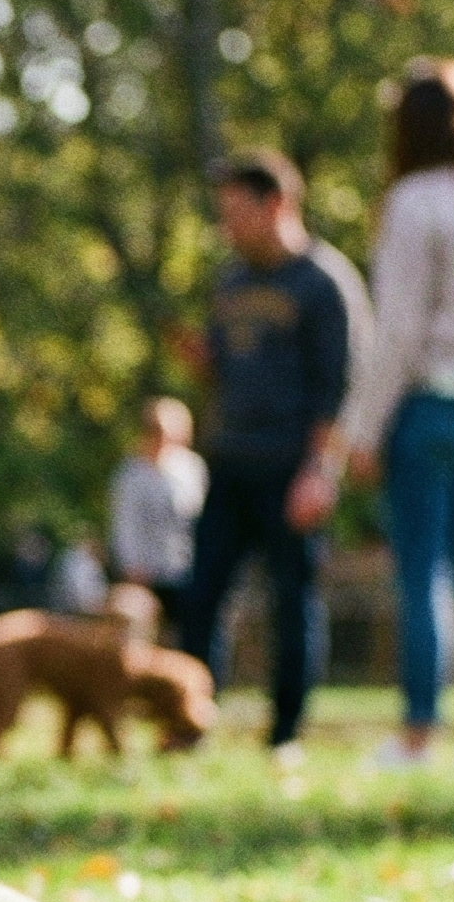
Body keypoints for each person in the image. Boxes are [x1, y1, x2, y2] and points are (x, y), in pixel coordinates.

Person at [325, 59, 454, 767]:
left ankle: (419, 732)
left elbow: (397, 332)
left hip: (431, 409)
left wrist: (358, 432)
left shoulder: (415, 202)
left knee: (424, 573)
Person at [181, 150, 355, 759]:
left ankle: (285, 733)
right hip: (230, 461)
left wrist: (320, 471)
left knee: (292, 601)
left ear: (276, 203)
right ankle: (191, 722)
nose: (226, 227)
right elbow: (227, 369)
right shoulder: (230, 282)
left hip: (291, 466)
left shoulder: (324, 282)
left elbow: (340, 388)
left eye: (236, 213)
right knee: (202, 595)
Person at [109, 397, 208, 627]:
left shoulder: (193, 469)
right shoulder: (130, 474)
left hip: (187, 571)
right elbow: (125, 524)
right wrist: (132, 567)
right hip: (146, 573)